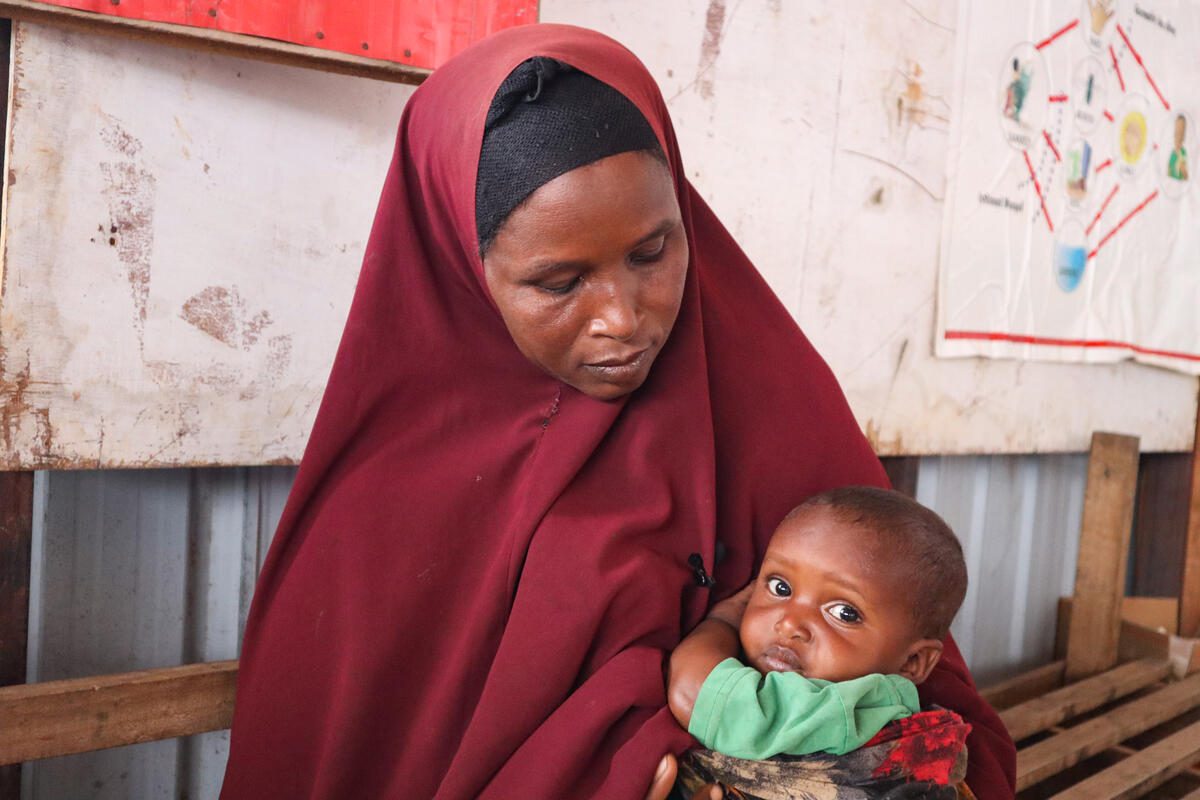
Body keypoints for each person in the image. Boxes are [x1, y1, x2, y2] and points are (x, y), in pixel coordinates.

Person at [220, 24, 1015, 799]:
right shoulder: (381, 496)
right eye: (560, 284)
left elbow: (930, 695)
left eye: (652, 253)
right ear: (463, 265)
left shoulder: (770, 401)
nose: (624, 319)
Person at [667, 487, 972, 797]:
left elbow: (692, 693)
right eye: (780, 587)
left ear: (912, 662)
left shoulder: (839, 705)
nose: (789, 624)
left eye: (844, 612)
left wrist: (722, 622)